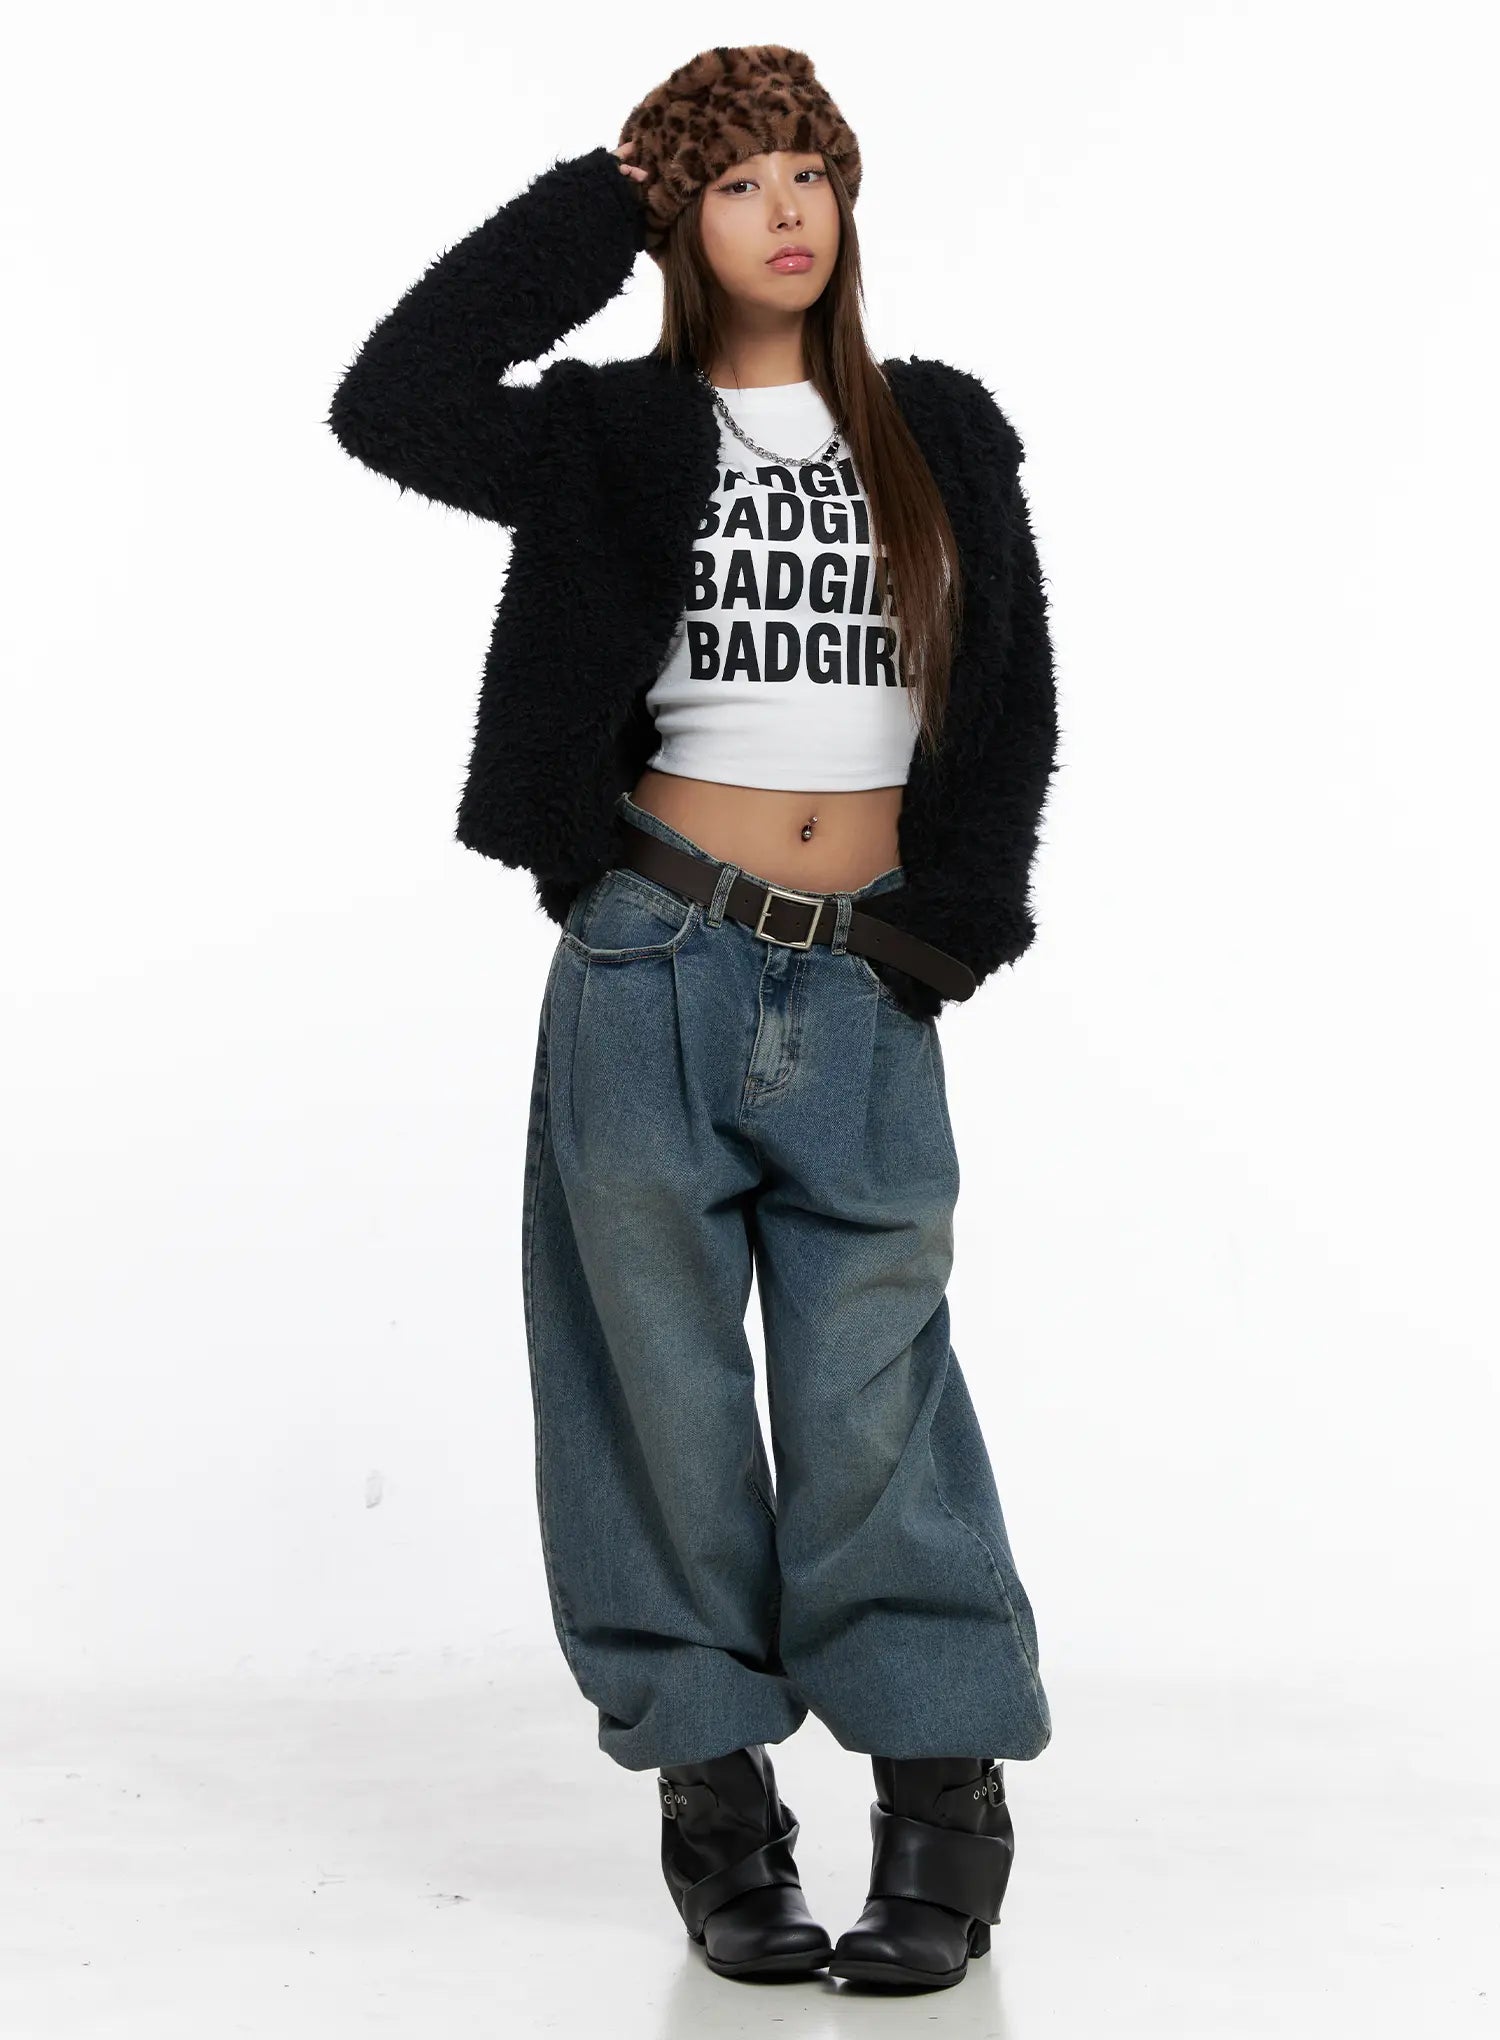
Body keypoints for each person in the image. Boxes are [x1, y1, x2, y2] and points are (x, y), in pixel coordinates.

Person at [327, 42, 1059, 1996]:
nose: (785, 204)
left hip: (864, 978)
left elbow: (1013, 696)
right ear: (682, 221)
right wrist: (605, 190)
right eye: (736, 180)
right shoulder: (607, 435)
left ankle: (942, 1800)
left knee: (871, 1395)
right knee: (650, 1390)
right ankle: (719, 1808)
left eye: (808, 166)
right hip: (655, 955)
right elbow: (391, 401)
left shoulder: (938, 429)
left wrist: (951, 931)